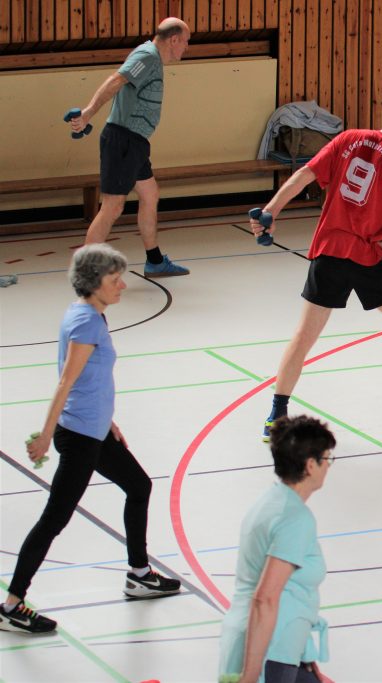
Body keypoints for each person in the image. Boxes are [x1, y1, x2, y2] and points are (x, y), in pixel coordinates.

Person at [0, 245, 180, 636]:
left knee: (139, 486)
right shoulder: (86, 323)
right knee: (54, 519)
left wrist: (109, 419)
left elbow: (90, 380)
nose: (123, 285)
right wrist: (45, 436)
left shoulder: (89, 315)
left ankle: (139, 574)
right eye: (114, 280)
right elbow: (66, 380)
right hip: (80, 436)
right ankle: (11, 604)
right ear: (94, 282)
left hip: (96, 430)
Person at [252, 98, 382, 439]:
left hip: (329, 251)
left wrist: (270, 212)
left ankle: (276, 416)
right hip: (369, 256)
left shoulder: (348, 139)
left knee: (303, 337)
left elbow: (304, 175)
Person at [67, 17, 192, 278]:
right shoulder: (147, 56)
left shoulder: (151, 57)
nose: (187, 48)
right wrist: (89, 112)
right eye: (186, 42)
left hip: (134, 143)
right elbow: (116, 80)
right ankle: (85, 270)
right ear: (174, 40)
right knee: (112, 206)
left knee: (150, 195)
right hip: (123, 140)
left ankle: (155, 261)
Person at [219, 416, 335, 683]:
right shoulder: (295, 519)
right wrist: (250, 676)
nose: (329, 466)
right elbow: (266, 598)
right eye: (327, 459)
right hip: (268, 652)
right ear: (310, 465)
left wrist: (307, 662)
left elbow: (291, 591)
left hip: (270, 645)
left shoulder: (271, 502)